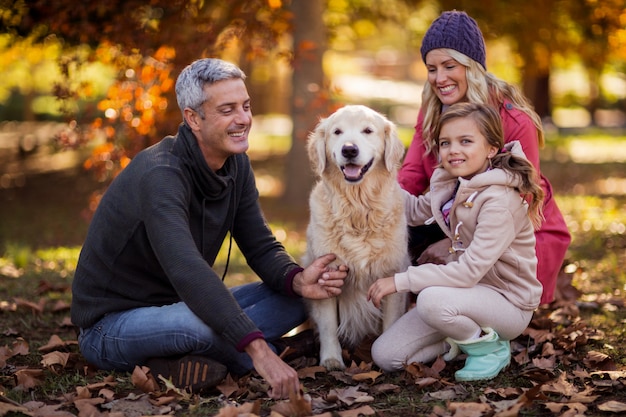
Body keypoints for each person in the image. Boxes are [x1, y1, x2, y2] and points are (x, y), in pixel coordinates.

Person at [71, 58, 348, 399]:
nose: (243, 119)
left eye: (246, 106)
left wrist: (297, 278)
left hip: (184, 304)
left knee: (301, 297)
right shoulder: (160, 174)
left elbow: (259, 245)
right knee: (199, 325)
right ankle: (275, 352)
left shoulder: (236, 163)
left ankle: (190, 359)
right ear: (193, 118)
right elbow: (187, 270)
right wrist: (258, 350)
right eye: (227, 109)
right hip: (110, 325)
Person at [398, 10, 570, 304]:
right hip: (457, 217)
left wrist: (453, 246)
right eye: (431, 68)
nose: (439, 78)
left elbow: (520, 199)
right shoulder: (432, 111)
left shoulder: (513, 120)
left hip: (515, 233)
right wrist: (377, 206)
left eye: (449, 66)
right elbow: (411, 174)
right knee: (395, 236)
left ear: (472, 65)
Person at [368, 102, 544, 381]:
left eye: (465, 141)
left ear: (491, 148)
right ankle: (460, 339)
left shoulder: (499, 201)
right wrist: (378, 176)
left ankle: (489, 348)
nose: (453, 150)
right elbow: (413, 211)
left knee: (430, 300)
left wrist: (400, 281)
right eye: (445, 143)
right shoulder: (454, 182)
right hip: (460, 296)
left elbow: (468, 272)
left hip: (506, 303)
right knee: (387, 356)